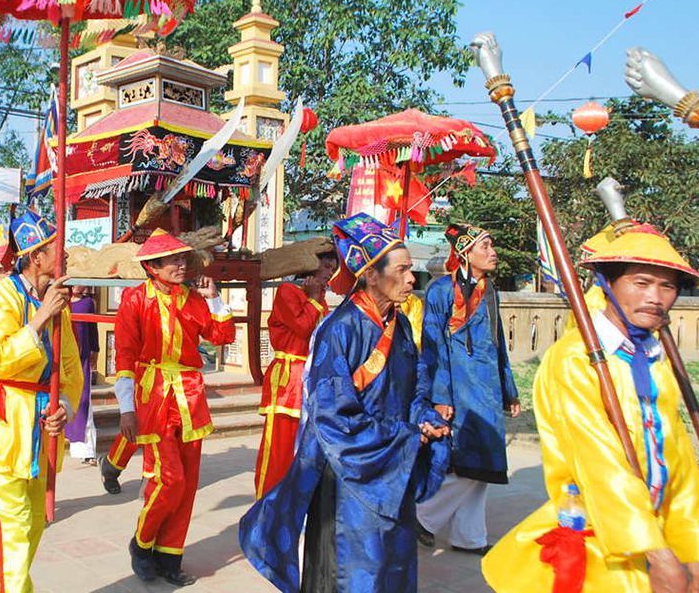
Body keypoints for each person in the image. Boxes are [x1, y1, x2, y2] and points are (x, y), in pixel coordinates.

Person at [482, 220, 699, 593]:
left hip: (659, 530)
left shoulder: (650, 356)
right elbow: (600, 467)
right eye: (642, 283)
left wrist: (690, 547)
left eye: (668, 286)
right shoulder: (575, 359)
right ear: (608, 284)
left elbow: (676, 456)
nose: (657, 297)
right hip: (603, 539)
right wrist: (658, 554)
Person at [239, 213, 450, 593]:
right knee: (354, 572)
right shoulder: (340, 330)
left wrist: (425, 418)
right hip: (351, 473)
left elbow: (412, 391)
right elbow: (332, 417)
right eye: (401, 270)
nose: (411, 279)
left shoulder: (399, 326)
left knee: (395, 566)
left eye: (410, 270)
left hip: (393, 467)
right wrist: (403, 436)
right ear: (371, 275)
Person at [0, 209, 82, 593]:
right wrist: (38, 320)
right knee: (12, 530)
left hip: (40, 429)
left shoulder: (54, 302)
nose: (61, 258)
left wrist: (63, 403)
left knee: (33, 524)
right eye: (55, 251)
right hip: (4, 428)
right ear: (36, 257)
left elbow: (70, 366)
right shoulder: (0, 298)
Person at [117, 228, 237, 587]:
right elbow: (124, 353)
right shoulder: (135, 299)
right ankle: (142, 542)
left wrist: (214, 299)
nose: (181, 265)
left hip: (190, 397)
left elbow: (222, 336)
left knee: (187, 485)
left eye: (183, 258)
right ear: (153, 266)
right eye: (173, 260)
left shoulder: (194, 300)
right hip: (153, 398)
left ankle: (169, 558)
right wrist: (126, 408)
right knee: (169, 480)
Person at [416, 223, 519, 555]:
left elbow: (497, 341)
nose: (493, 251)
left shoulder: (490, 291)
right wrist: (441, 394)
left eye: (491, 245)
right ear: (464, 253)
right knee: (471, 460)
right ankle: (423, 516)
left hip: (486, 387)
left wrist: (508, 387)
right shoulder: (440, 290)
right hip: (459, 388)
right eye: (485, 246)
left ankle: (469, 536)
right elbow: (434, 347)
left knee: (483, 464)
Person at [254, 250, 337, 499]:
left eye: (332, 269)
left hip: (309, 377)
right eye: (325, 268)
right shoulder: (288, 291)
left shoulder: (319, 296)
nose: (329, 274)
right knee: (278, 446)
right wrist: (312, 299)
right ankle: (267, 503)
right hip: (288, 377)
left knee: (300, 445)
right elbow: (303, 328)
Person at [67, 286, 100, 465]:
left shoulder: (88, 303)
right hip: (63, 358)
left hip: (82, 359)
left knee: (83, 403)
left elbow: (92, 330)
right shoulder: (60, 301)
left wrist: (95, 350)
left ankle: (87, 450)